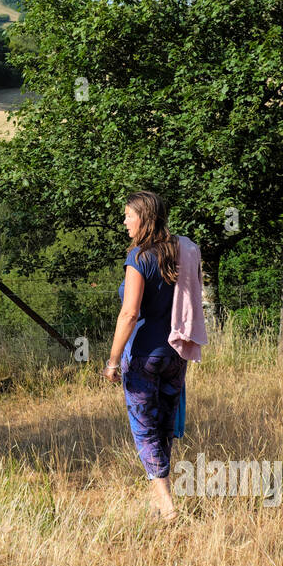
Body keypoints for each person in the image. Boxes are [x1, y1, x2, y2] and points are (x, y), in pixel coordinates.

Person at [101, 191, 189, 521]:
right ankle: (158, 500)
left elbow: (129, 313)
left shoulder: (139, 257)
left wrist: (112, 362)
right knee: (164, 424)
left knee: (144, 429)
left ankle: (166, 504)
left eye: (129, 216)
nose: (124, 221)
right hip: (176, 353)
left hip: (143, 355)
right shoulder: (181, 253)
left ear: (145, 218)